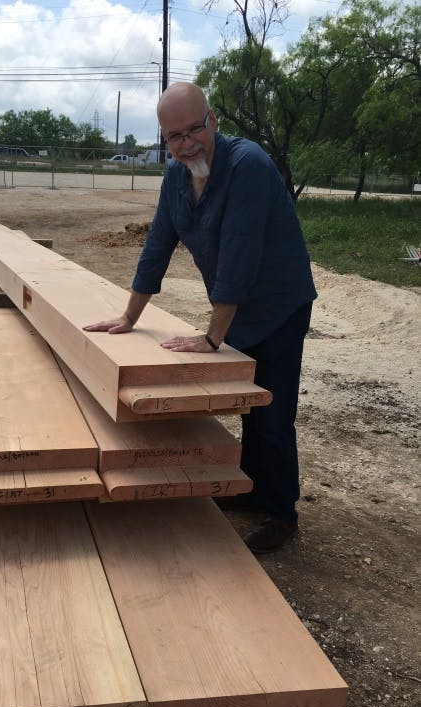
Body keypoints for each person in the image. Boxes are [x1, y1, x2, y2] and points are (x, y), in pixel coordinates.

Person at [84, 82, 317, 554]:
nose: (187, 143)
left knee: (271, 412)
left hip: (279, 306)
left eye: (195, 129)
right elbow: (157, 248)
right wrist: (129, 317)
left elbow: (239, 256)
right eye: (175, 136)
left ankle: (281, 513)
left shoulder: (248, 165)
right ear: (164, 140)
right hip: (237, 307)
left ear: (213, 121)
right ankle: (249, 489)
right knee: (248, 406)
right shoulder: (177, 177)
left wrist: (212, 339)